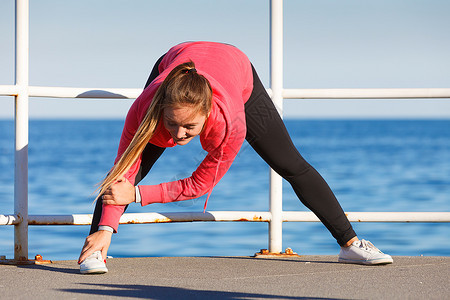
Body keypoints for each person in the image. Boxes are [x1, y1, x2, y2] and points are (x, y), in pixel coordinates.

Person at [78, 41, 393, 274]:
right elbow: (124, 170)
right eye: (172, 123)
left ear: (206, 115)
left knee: (290, 164)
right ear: (162, 109)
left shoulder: (231, 124)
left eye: (190, 126)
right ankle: (95, 250)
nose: (178, 134)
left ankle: (350, 244)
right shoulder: (145, 107)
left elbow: (200, 184)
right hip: (176, 59)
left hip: (235, 68)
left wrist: (136, 195)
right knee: (124, 173)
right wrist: (107, 226)